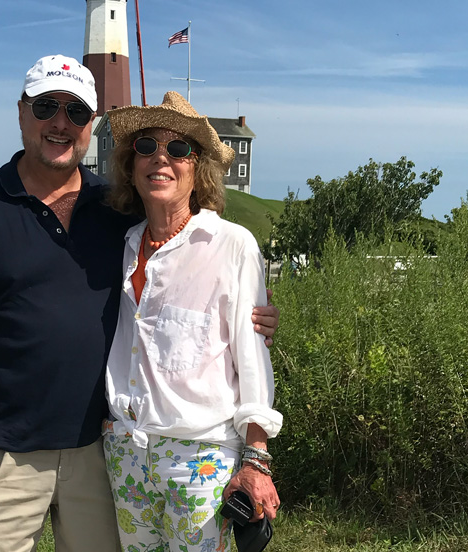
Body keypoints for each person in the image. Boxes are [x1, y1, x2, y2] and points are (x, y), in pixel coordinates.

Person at [0, 55, 279, 552]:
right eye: (46, 107)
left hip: (97, 454)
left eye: (77, 113)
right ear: (22, 112)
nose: (61, 123)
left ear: (90, 127)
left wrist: (251, 313)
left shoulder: (115, 211)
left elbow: (201, 302)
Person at [101, 91, 282, 551]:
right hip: (125, 451)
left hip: (199, 458)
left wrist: (256, 458)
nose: (160, 158)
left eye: (178, 148)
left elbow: (252, 357)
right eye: (146, 146)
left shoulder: (232, 246)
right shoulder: (122, 244)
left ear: (197, 166)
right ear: (129, 162)